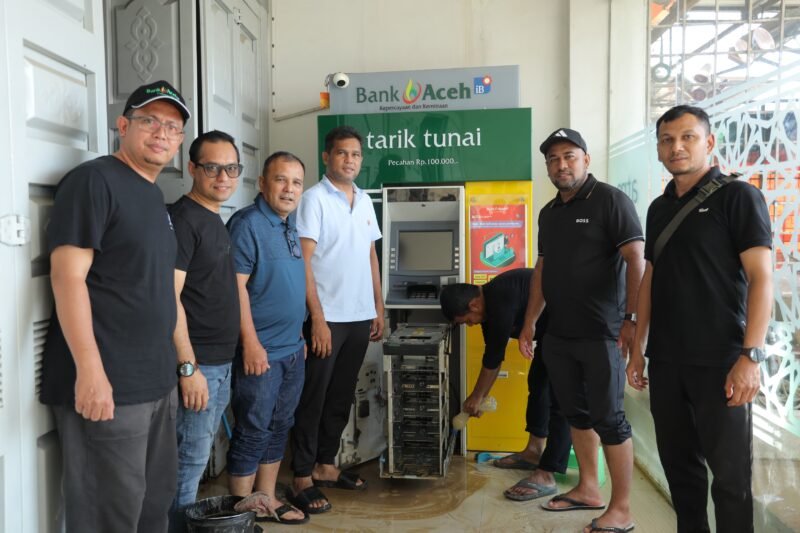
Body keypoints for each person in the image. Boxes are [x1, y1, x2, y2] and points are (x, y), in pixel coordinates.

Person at [39, 80, 190, 532]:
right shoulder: (94, 180)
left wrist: (179, 368)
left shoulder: (153, 196)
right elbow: (67, 277)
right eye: (149, 121)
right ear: (123, 126)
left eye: (173, 126)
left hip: (154, 383)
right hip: (109, 385)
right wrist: (90, 371)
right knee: (109, 513)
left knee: (152, 504)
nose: (161, 133)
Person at [627, 105, 772, 533]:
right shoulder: (657, 208)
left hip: (722, 362)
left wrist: (751, 355)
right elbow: (650, 278)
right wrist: (638, 349)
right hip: (669, 362)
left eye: (688, 137)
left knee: (729, 480)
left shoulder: (738, 197)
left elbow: (761, 278)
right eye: (668, 140)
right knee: (681, 473)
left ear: (708, 143)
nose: (677, 147)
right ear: (658, 150)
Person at [519, 128, 644, 533]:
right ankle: (588, 489)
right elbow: (543, 269)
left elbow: (636, 261)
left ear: (586, 160)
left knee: (611, 419)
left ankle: (621, 510)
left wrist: (631, 321)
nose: (562, 164)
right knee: (576, 414)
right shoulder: (549, 212)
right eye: (553, 159)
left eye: (569, 156)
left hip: (602, 333)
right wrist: (530, 323)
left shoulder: (610, 201)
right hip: (559, 334)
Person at [290, 125, 384, 514]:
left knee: (341, 396)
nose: (350, 160)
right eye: (342, 153)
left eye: (356, 154)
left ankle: (327, 466)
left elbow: (371, 256)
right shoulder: (313, 199)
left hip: (360, 316)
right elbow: (304, 261)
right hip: (327, 319)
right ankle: (301, 475)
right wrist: (317, 318)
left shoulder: (363, 200)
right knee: (314, 397)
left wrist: (378, 307)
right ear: (326, 157)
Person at [225, 151, 309, 524]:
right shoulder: (247, 224)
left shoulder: (287, 223)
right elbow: (235, 289)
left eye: (296, 182)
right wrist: (252, 343)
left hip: (292, 348)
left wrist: (299, 336)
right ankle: (237, 510)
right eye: (281, 180)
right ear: (262, 183)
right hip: (261, 352)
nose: (289, 189)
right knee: (253, 427)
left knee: (280, 425)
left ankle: (267, 498)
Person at [439, 269, 572, 502]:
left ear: (473, 305)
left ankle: (547, 473)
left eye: (466, 321)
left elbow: (493, 357)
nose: (469, 326)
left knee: (558, 399)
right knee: (538, 384)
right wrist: (478, 397)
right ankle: (534, 451)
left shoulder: (500, 296)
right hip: (553, 333)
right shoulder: (488, 310)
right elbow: (493, 359)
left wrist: (476, 397)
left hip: (572, 327)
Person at [167, 130, 241, 531]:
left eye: (231, 168)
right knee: (188, 461)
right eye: (212, 167)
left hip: (220, 362)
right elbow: (169, 296)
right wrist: (188, 368)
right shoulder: (184, 220)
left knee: (196, 458)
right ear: (193, 168)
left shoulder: (214, 217)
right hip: (200, 367)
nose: (223, 176)